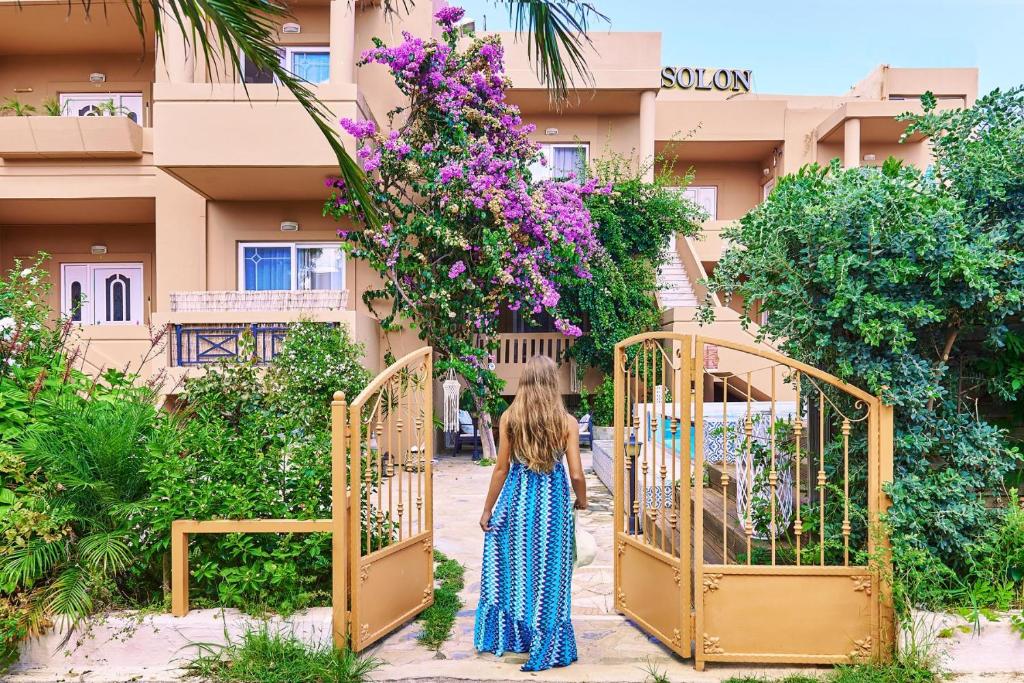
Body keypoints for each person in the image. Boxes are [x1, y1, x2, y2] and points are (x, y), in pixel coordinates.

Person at [473, 355, 588, 672]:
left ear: (524, 382)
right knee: (551, 575)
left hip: (517, 504)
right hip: (552, 506)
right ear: (553, 383)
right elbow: (576, 474)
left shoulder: (510, 417)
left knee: (516, 571)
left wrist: (487, 509)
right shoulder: (566, 423)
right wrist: (583, 501)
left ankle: (517, 637)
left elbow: (501, 469)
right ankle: (548, 640)